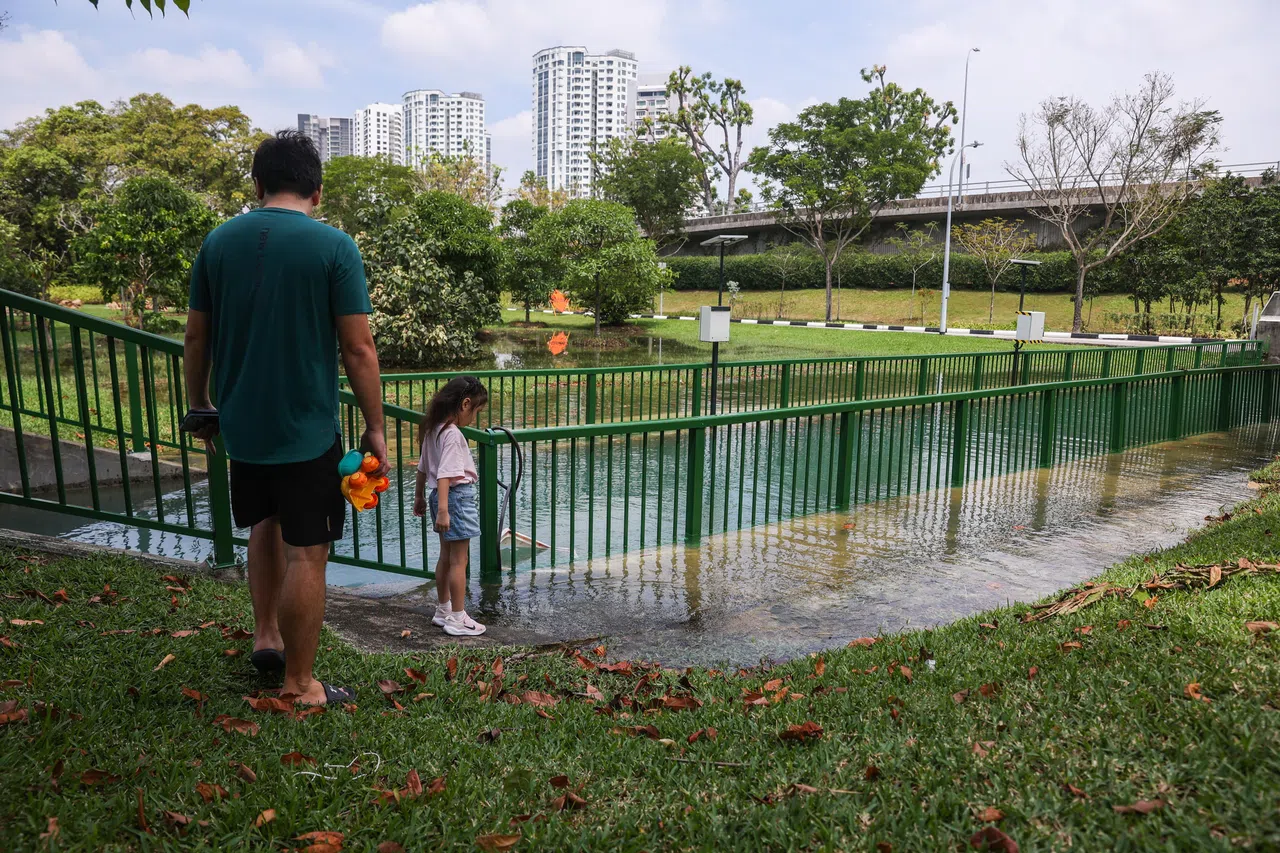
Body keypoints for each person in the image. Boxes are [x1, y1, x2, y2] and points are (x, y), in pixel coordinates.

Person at [183, 130, 388, 706]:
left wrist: (202, 404)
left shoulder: (218, 242)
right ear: (317, 192)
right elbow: (359, 349)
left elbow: (196, 335)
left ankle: (267, 636)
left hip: (242, 427)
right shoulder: (334, 248)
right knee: (308, 551)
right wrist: (375, 427)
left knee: (263, 527)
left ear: (258, 184)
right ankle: (300, 683)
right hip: (308, 432)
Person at [413, 376, 489, 637]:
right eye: (476, 411)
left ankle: (443, 610)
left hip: (439, 497)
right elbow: (446, 473)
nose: (475, 418)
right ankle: (458, 617)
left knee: (446, 557)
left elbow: (423, 468)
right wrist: (444, 509)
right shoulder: (454, 435)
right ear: (465, 404)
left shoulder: (434, 429)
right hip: (456, 498)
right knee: (460, 561)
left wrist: (420, 497)